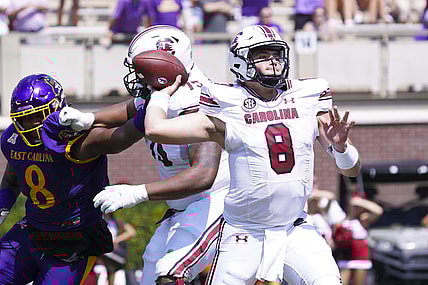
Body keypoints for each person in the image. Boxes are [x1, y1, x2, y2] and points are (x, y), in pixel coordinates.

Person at [142, 24, 361, 284]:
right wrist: (160, 95)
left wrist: (341, 147)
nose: (273, 62)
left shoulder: (307, 95)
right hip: (243, 232)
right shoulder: (226, 102)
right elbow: (156, 129)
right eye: (262, 55)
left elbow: (351, 170)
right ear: (240, 60)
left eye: (277, 54)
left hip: (294, 227)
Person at [60, 25, 230, 285]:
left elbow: (203, 174)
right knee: (150, 272)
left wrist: (137, 192)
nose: (136, 77)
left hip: (215, 203)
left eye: (142, 70)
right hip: (185, 207)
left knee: (170, 273)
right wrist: (89, 118)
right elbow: (131, 107)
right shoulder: (164, 92)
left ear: (164, 69)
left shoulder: (199, 102)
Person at [0, 74, 118, 284]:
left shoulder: (79, 139)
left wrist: (144, 107)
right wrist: (3, 206)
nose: (30, 124)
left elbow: (122, 137)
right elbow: (12, 179)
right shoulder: (14, 139)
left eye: (37, 116)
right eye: (23, 118)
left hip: (73, 240)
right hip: (33, 231)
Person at [333, 194, 383, 285]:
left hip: (360, 258)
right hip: (345, 257)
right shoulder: (342, 219)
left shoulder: (363, 220)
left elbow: (378, 211)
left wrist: (361, 202)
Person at [97, 212, 137, 285]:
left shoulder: (116, 221)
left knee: (111, 270)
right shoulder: (97, 220)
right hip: (100, 251)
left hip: (111, 252)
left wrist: (116, 240)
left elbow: (131, 232)